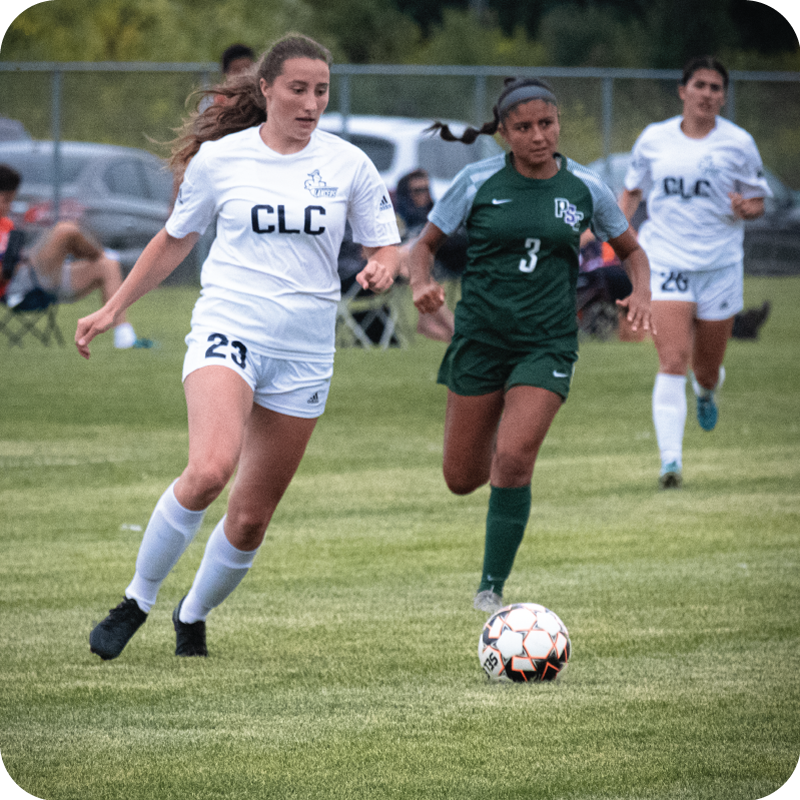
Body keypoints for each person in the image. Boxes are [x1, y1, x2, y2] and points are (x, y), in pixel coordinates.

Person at [78, 33, 400, 659]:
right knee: (208, 470)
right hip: (230, 326)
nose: (311, 104)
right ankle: (135, 601)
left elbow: (383, 243)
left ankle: (191, 613)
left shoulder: (347, 164)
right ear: (266, 90)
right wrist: (114, 306)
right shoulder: (222, 159)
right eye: (298, 89)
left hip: (305, 350)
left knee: (250, 519)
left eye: (321, 91)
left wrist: (383, 266)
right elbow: (174, 239)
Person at [407, 77, 652, 614]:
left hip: (547, 343)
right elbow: (422, 249)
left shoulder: (585, 187)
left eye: (548, 124)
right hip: (479, 341)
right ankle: (496, 418)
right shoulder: (476, 181)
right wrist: (421, 284)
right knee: (461, 479)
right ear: (504, 133)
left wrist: (643, 293)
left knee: (514, 460)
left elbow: (633, 253)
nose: (539, 136)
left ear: (558, 124)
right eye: (524, 127)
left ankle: (490, 589)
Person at [618, 56, 771, 489]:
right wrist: (616, 232)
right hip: (665, 259)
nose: (707, 94)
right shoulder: (654, 139)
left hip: (720, 266)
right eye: (700, 85)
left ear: (723, 97)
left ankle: (707, 391)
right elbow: (631, 192)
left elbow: (758, 201)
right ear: (683, 91)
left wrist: (748, 208)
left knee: (705, 369)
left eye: (716, 88)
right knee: (671, 359)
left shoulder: (738, 143)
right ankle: (671, 462)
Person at [0, 163, 144, 349]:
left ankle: (125, 338)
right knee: (65, 231)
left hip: (37, 280)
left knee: (107, 265)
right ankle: (100, 251)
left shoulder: (6, 224)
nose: (9, 206)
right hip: (18, 289)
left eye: (11, 200)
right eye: (5, 200)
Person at [394, 169, 456, 342]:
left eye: (426, 189)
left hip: (440, 262)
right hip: (397, 266)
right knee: (410, 256)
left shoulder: (437, 214)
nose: (423, 194)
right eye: (417, 190)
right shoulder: (396, 215)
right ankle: (452, 329)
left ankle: (435, 324)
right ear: (406, 193)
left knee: (412, 257)